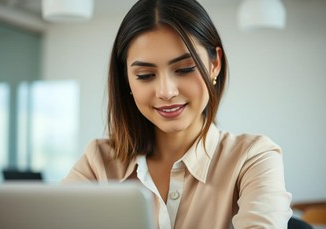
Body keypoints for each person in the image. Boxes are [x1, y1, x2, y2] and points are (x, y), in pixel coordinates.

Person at [62, 0, 293, 228]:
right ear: (127, 81)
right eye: (145, 75)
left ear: (215, 65)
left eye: (184, 69)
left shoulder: (253, 158)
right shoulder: (98, 161)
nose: (166, 92)